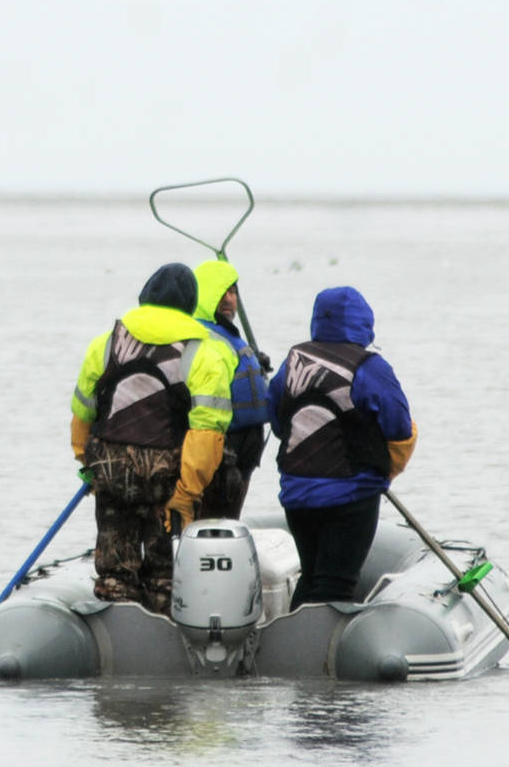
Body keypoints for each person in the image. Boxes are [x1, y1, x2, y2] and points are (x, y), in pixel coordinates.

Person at [70, 263, 237, 612]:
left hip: (111, 470)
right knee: (164, 569)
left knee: (115, 565)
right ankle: (162, 622)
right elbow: (207, 432)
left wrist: (89, 466)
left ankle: (116, 613)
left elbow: (83, 414)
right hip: (168, 476)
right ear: (191, 304)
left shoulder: (106, 344)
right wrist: (187, 493)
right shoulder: (202, 353)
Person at [268, 285, 417, 608]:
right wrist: (386, 471)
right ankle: (318, 656)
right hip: (350, 494)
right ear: (363, 320)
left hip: (297, 494)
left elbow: (279, 422)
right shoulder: (369, 368)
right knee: (337, 583)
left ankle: (291, 647)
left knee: (311, 576)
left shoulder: (292, 363)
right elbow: (399, 427)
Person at [191, 258, 272, 520]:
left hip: (245, 453)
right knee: (209, 521)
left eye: (233, 292)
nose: (229, 300)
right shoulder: (200, 338)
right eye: (221, 293)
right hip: (219, 454)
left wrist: (256, 368)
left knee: (228, 521)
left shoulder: (229, 336)